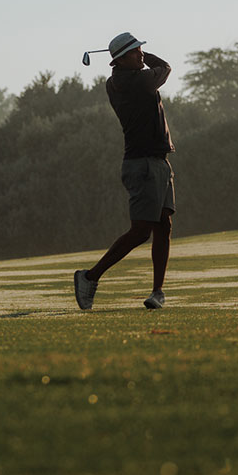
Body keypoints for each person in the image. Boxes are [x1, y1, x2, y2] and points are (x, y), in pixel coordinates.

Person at [74, 32, 175, 311]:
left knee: (163, 225)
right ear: (120, 59)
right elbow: (165, 68)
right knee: (141, 231)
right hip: (142, 164)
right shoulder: (133, 81)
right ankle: (89, 277)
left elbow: (153, 68)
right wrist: (147, 58)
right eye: (135, 51)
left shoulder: (121, 79)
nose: (141, 54)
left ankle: (157, 292)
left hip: (156, 162)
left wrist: (137, 54)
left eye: (141, 49)